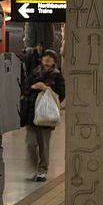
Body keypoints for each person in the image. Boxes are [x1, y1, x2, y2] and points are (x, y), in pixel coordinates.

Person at [21, 49, 66, 181]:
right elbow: (24, 87)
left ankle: (42, 170)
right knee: (30, 143)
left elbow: (61, 94)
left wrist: (46, 88)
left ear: (54, 61)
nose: (47, 59)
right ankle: (34, 166)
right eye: (46, 56)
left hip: (46, 116)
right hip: (31, 114)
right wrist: (34, 87)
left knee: (44, 145)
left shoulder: (57, 76)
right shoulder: (35, 73)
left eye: (51, 58)